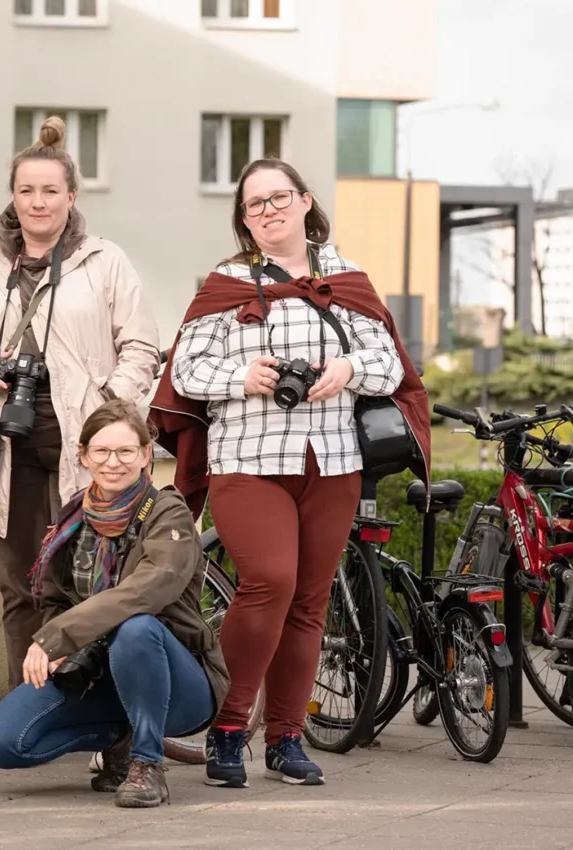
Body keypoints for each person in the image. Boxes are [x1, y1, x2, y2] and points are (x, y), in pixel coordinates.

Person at [152, 158, 424, 789]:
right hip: (248, 459)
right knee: (268, 582)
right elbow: (186, 371)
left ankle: (286, 740)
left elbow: (391, 364)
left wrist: (348, 372)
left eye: (279, 198)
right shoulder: (225, 282)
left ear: (305, 201)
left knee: (310, 601)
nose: (269, 211)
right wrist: (242, 377)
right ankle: (227, 730)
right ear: (244, 220)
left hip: (331, 460)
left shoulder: (348, 278)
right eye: (255, 205)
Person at [0, 116, 161, 691]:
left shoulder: (103, 260)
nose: (38, 203)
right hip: (4, 447)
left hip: (84, 451)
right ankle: (27, 710)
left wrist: (109, 407)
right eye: (26, 191)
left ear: (71, 195)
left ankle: (91, 713)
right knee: (19, 589)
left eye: (50, 190)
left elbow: (140, 345)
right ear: (13, 197)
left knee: (83, 586)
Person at [0, 400, 229, 809]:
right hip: (100, 674)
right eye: (102, 451)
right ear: (83, 455)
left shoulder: (168, 513)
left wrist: (56, 638)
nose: (114, 462)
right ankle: (121, 738)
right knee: (2, 743)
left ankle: (148, 764)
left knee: (136, 626)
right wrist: (64, 652)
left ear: (146, 455)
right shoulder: (73, 515)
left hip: (179, 681)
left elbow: (150, 588)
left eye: (126, 451)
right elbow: (55, 600)